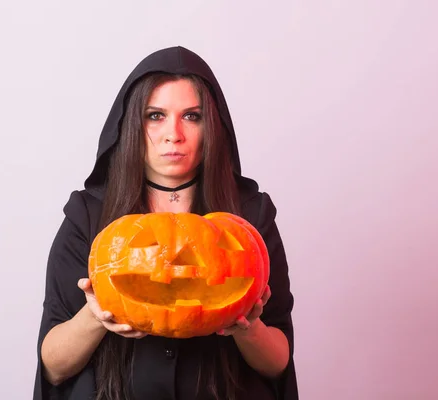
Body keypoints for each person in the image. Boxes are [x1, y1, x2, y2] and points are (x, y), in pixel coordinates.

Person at [33, 46, 298, 400]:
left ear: (212, 126)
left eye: (192, 116)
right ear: (131, 124)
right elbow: (53, 366)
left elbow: (278, 363)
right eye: (155, 115)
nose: (174, 134)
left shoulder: (251, 214)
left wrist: (248, 330)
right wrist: (95, 318)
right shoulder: (87, 214)